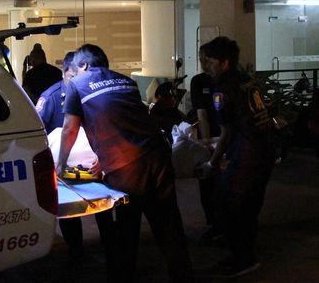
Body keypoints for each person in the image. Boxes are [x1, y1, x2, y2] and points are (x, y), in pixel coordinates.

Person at [57, 44, 193, 282]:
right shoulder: (126, 81)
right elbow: (124, 118)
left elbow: (70, 128)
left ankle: (122, 277)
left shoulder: (78, 84)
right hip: (158, 155)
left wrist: (60, 165)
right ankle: (184, 277)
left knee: (127, 229)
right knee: (168, 224)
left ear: (84, 65)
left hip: (127, 167)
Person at [198, 36, 275, 278]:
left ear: (224, 62)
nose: (207, 66)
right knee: (249, 204)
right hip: (265, 148)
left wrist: (213, 161)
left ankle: (243, 258)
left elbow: (229, 130)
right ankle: (243, 253)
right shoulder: (245, 80)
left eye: (210, 61)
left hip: (248, 153)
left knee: (226, 203)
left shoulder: (223, 87)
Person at [36, 51, 104, 262]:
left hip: (93, 165)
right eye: (78, 77)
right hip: (62, 168)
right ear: (67, 73)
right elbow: (40, 134)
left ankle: (110, 248)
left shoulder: (89, 92)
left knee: (104, 207)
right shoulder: (51, 98)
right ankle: (76, 251)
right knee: (68, 211)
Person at [190, 44, 221, 240]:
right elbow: (201, 113)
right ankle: (214, 222)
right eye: (201, 58)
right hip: (212, 138)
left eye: (208, 59)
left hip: (225, 137)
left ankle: (222, 224)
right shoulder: (198, 81)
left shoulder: (224, 82)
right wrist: (207, 141)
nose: (204, 63)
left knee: (217, 180)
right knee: (208, 182)